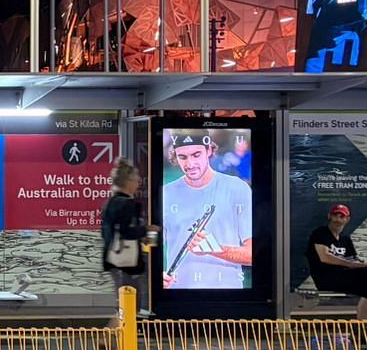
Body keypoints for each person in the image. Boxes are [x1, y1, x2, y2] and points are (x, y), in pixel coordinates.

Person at [162, 132, 253, 289]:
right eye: (182, 157)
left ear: (209, 150)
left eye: (196, 155)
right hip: (177, 296)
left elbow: (253, 255)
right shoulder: (166, 193)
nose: (190, 164)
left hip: (228, 297)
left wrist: (215, 249)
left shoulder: (238, 188)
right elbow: (150, 249)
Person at [100, 159, 156, 321]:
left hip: (113, 257)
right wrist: (146, 229)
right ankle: (113, 337)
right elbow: (126, 231)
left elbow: (108, 232)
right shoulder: (126, 203)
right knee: (130, 300)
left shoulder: (111, 202)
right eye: (136, 180)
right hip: (125, 261)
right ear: (128, 182)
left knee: (124, 300)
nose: (138, 183)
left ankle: (111, 335)